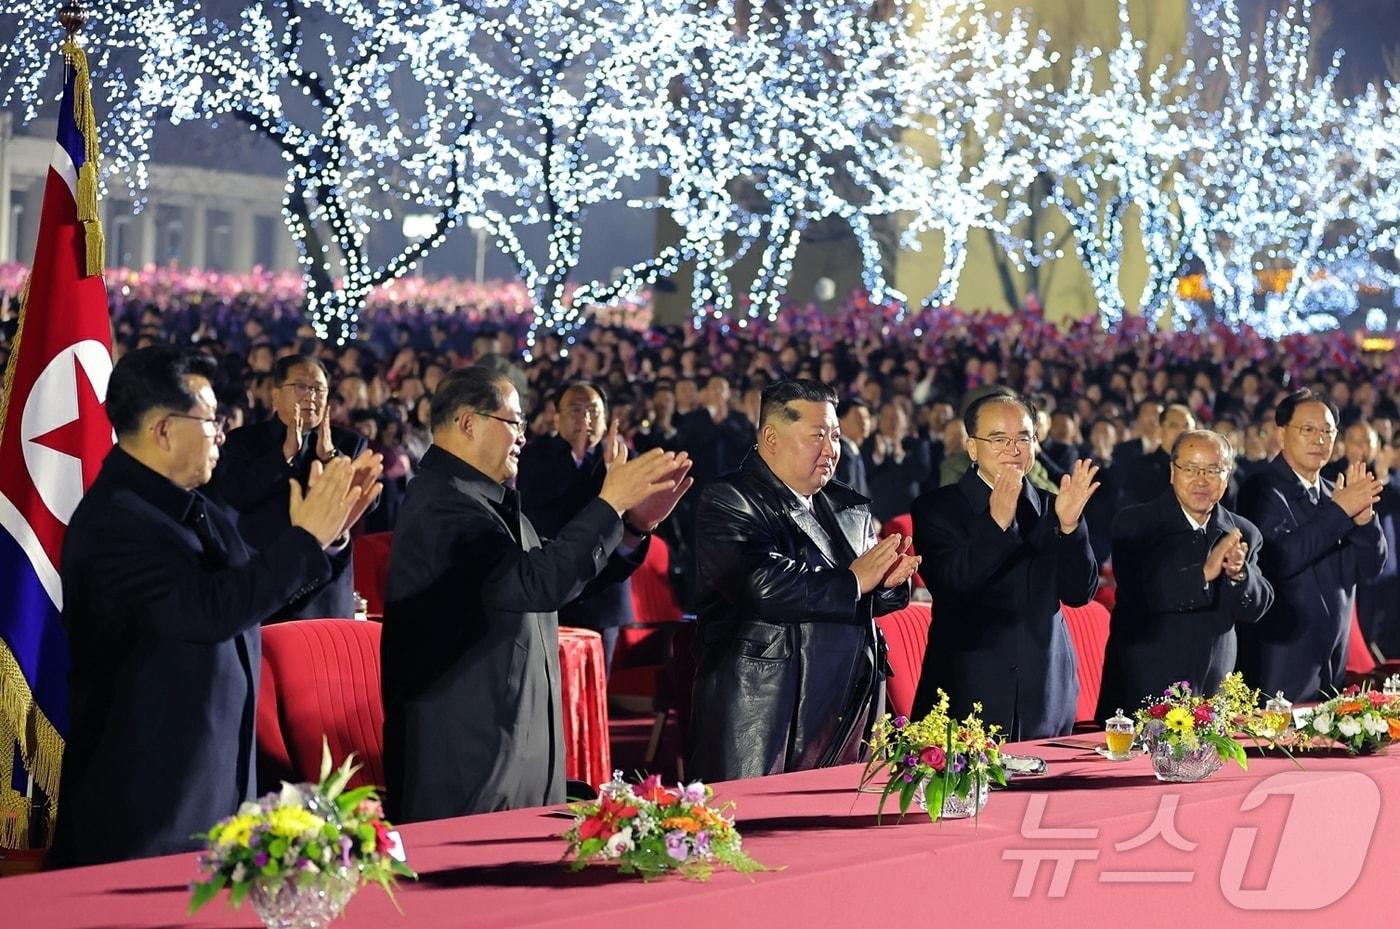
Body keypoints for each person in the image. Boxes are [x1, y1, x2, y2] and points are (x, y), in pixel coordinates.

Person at [51, 345, 379, 867]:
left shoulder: (192, 504)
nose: (221, 434)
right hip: (150, 796)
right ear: (163, 430)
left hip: (213, 776)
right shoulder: (115, 523)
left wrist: (327, 539)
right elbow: (210, 611)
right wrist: (305, 540)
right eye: (210, 421)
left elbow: (254, 588)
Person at [380, 367, 692, 821]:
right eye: (514, 423)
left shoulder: (487, 498)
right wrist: (608, 504)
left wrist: (630, 527)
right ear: (469, 423)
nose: (524, 437)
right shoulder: (442, 504)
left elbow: (557, 581)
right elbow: (537, 583)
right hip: (467, 755)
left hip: (513, 742)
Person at [687, 380, 920, 781]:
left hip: (846, 701)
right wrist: (853, 580)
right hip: (766, 702)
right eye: (817, 436)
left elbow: (867, 595)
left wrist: (886, 583)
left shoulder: (845, 504)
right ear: (771, 439)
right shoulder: (732, 498)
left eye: (835, 436)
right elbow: (763, 585)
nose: (831, 450)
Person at [911, 391, 1100, 740]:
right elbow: (954, 585)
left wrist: (1071, 528)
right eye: (998, 439)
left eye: (1023, 438)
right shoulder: (936, 509)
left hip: (1045, 689)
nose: (1012, 449)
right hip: (967, 689)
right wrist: (996, 523)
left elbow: (1078, 594)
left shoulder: (1053, 507)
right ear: (972, 447)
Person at [1096, 431, 1273, 717]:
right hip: (1143, 693)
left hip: (1213, 699)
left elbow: (1255, 609)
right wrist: (1204, 573)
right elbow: (1141, 594)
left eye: (1213, 470)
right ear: (1172, 472)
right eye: (1190, 469)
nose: (1201, 479)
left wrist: (1239, 574)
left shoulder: (1243, 532)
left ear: (1227, 476)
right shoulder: (1135, 523)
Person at [1238, 390, 1387, 701]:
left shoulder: (1338, 492)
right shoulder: (1261, 487)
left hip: (1333, 660)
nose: (1320, 439)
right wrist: (1340, 512)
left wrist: (1364, 521)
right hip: (1282, 661)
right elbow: (1278, 560)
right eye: (1308, 429)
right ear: (1282, 434)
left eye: (1327, 431)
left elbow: (1371, 568)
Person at [211, 355, 369, 620]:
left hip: (326, 589)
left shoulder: (349, 444)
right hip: (269, 580)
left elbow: (366, 502)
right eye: (300, 386)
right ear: (275, 396)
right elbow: (237, 493)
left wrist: (331, 457)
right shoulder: (244, 442)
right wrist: (284, 455)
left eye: (318, 389)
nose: (311, 396)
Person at [515, 381, 635, 669]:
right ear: (556, 416)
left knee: (596, 689)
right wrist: (578, 459)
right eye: (575, 410)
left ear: (606, 418)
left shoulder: (621, 460)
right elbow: (537, 509)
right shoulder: (534, 456)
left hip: (603, 593)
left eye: (594, 411)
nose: (586, 418)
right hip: (553, 586)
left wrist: (609, 472)